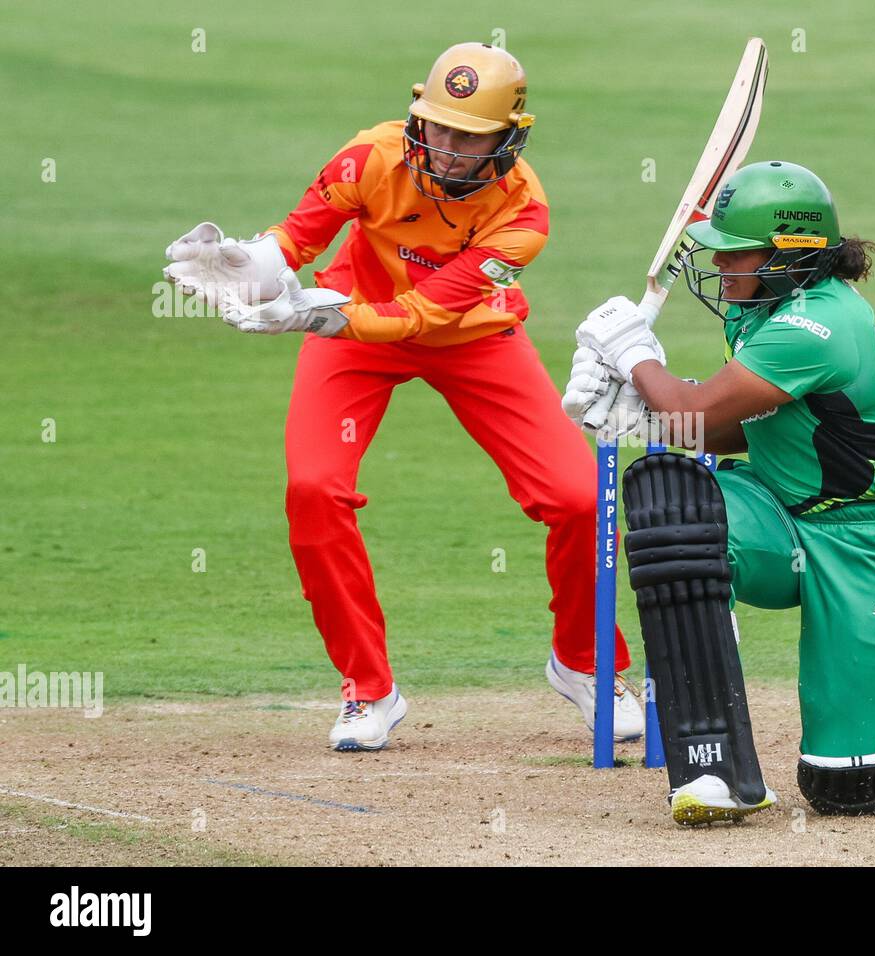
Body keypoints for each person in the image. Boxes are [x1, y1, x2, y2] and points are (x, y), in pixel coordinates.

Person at [162, 42, 644, 751]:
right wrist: (251, 267)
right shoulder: (370, 157)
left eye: (468, 137)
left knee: (579, 498)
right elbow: (296, 239)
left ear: (506, 141)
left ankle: (584, 664)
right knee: (314, 488)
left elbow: (426, 312)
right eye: (437, 127)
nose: (446, 149)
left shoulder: (524, 216)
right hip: (351, 335)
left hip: (471, 338)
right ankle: (368, 688)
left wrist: (324, 312)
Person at [565, 161, 875, 823]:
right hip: (777, 513)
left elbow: (701, 414)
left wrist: (633, 356)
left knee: (848, 791)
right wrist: (632, 420)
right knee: (676, 516)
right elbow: (742, 432)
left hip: (873, 539)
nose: (724, 266)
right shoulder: (762, 311)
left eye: (738, 253)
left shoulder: (815, 327)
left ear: (790, 254)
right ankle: (710, 766)